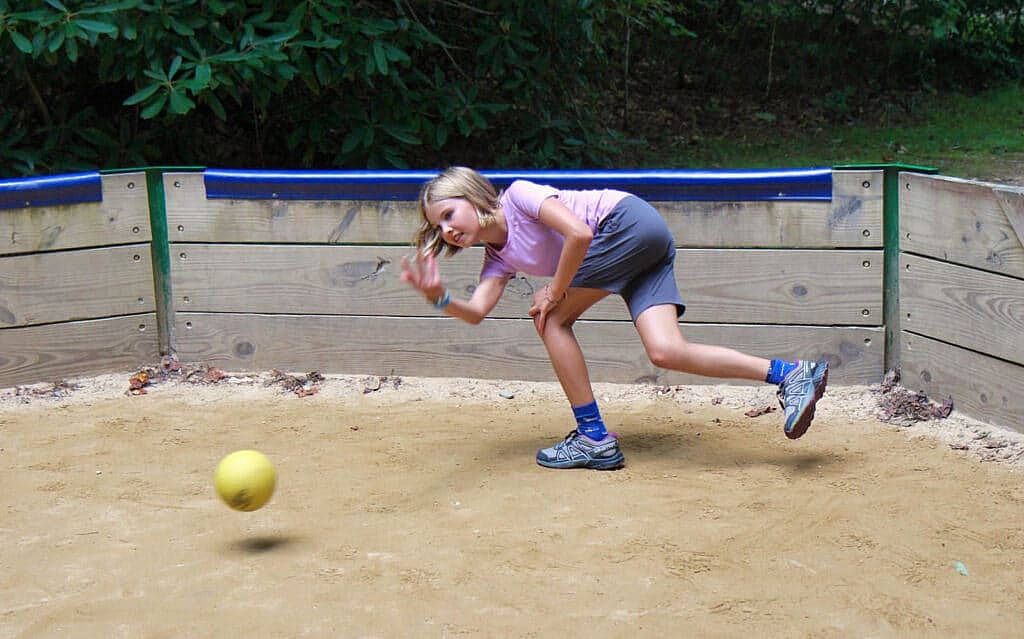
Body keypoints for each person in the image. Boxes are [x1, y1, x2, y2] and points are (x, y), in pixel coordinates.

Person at [400, 166, 828, 470]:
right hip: (642, 247)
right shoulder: (498, 258)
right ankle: (790, 374)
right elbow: (476, 313)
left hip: (626, 224)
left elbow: (580, 234)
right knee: (665, 350)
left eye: (449, 215)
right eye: (438, 228)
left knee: (550, 319)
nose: (447, 231)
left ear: (473, 195)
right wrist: (441, 298)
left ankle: (594, 438)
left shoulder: (519, 196)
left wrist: (556, 289)